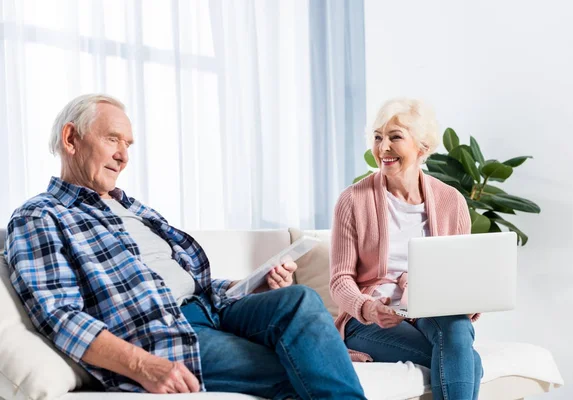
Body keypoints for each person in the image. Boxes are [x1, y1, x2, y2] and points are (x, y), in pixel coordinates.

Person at [4, 94, 366, 400]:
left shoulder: (134, 208)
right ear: (71, 139)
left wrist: (256, 283)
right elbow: (60, 315)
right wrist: (143, 366)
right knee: (305, 368)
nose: (123, 156)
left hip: (215, 310)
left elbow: (195, 281)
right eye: (113, 139)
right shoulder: (40, 216)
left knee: (298, 298)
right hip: (166, 334)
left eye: (127, 145)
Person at [329, 98, 483, 400]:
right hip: (370, 319)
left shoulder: (452, 201)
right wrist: (369, 308)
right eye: (377, 137)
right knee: (464, 358)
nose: (382, 147)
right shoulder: (353, 200)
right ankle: (464, 359)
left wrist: (469, 301)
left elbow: (462, 277)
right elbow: (340, 281)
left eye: (395, 137)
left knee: (456, 329)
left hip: (431, 311)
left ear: (422, 148)